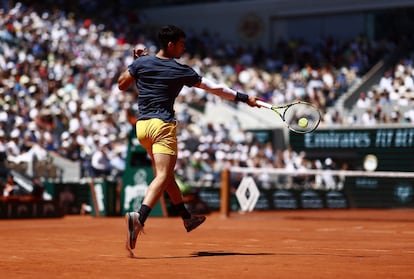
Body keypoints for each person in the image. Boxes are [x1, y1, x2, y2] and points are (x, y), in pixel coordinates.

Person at [117, 25, 259, 257]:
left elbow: (122, 84)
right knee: (162, 176)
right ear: (171, 45)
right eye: (182, 43)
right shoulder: (179, 70)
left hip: (142, 128)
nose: (184, 47)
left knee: (167, 176)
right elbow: (215, 88)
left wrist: (135, 63)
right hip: (162, 126)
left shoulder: (141, 63)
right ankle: (139, 218)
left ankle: (186, 217)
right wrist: (244, 98)